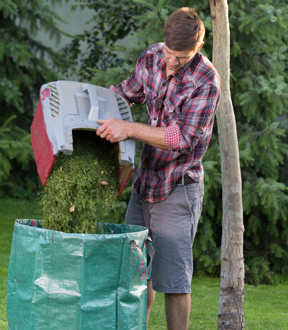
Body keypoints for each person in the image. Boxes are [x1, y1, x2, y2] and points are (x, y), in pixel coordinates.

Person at [96, 7, 219, 330]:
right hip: (144, 183)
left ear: (198, 49)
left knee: (173, 280)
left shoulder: (206, 81)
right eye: (169, 53)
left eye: (181, 57)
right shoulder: (152, 57)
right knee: (136, 271)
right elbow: (125, 94)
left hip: (178, 188)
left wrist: (129, 129)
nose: (171, 62)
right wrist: (96, 109)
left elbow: (181, 138)